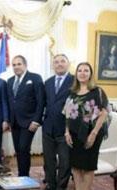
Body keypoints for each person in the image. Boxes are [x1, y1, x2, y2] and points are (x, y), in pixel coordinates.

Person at [63, 62, 109, 190]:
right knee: (76, 166)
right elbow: (67, 114)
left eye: (86, 71)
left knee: (88, 166)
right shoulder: (72, 92)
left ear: (90, 74)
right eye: (80, 70)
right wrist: (66, 132)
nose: (82, 73)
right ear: (76, 74)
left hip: (91, 133)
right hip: (73, 134)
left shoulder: (97, 91)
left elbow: (104, 113)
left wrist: (93, 133)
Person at [6, 55, 44, 176]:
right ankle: (21, 175)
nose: (16, 67)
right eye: (14, 65)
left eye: (19, 64)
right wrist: (8, 121)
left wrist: (36, 120)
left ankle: (24, 176)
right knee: (18, 150)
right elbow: (10, 101)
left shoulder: (35, 78)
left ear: (25, 65)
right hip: (14, 122)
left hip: (29, 122)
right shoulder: (10, 81)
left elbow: (41, 101)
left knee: (23, 148)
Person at [43, 54, 73, 190]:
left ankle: (61, 187)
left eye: (62, 61)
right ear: (52, 65)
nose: (59, 64)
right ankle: (50, 184)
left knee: (65, 162)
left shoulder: (75, 81)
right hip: (48, 127)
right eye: (56, 62)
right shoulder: (48, 82)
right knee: (49, 160)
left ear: (68, 63)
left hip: (66, 129)